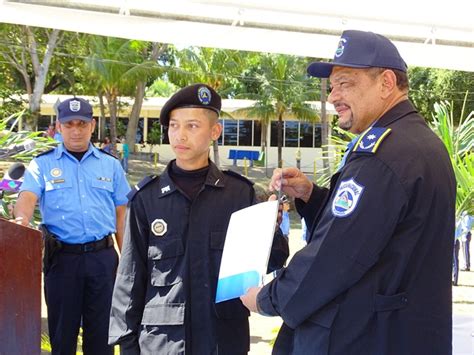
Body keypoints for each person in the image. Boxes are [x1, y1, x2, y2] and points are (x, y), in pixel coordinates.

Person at [240, 30, 456, 355]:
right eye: (332, 86)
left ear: (385, 83)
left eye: (345, 84)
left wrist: (266, 298)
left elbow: (336, 254)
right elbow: (379, 231)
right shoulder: (415, 142)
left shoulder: (384, 154)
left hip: (370, 338)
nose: (332, 97)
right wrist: (311, 196)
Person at [109, 84, 289, 354]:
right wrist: (127, 344)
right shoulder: (146, 198)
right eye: (174, 125)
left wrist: (271, 227)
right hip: (162, 343)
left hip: (222, 339)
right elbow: (130, 278)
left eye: (192, 126)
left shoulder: (239, 194)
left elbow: (271, 262)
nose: (180, 135)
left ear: (214, 132)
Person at [14, 97, 130, 354]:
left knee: (102, 338)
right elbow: (26, 199)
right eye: (69, 124)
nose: (76, 130)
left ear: (92, 125)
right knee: (62, 336)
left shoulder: (110, 165)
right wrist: (21, 222)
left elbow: (122, 215)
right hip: (62, 261)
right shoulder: (42, 164)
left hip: (103, 260)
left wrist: (126, 261)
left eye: (82, 124)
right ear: (58, 126)